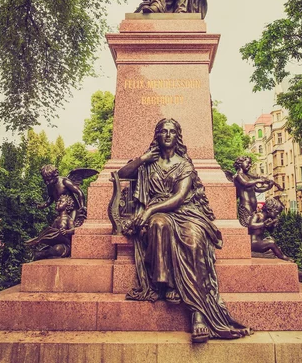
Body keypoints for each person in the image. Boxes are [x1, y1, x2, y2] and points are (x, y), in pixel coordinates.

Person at [118, 118, 251, 343]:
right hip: (160, 214)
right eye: (163, 132)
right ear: (157, 136)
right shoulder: (149, 163)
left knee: (193, 239)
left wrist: (149, 210)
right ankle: (168, 283)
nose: (168, 135)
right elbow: (122, 173)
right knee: (159, 224)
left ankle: (198, 313)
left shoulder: (184, 165)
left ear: (177, 136)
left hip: (185, 211)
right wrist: (142, 159)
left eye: (172, 132)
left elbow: (179, 197)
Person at [231, 156, 282, 226]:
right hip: (246, 206)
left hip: (253, 206)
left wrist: (268, 187)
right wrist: (258, 180)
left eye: (250, 164)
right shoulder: (238, 176)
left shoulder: (248, 177)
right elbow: (246, 183)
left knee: (254, 225)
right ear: (240, 163)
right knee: (249, 225)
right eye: (248, 163)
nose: (250, 165)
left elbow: (257, 189)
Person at [26, 194, 75, 259]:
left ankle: (43, 253)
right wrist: (38, 240)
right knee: (54, 248)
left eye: (61, 201)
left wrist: (66, 231)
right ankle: (42, 253)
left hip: (65, 245)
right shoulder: (56, 220)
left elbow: (74, 229)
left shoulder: (68, 219)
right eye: (58, 201)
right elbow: (51, 233)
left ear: (67, 206)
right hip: (54, 244)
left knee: (57, 249)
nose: (58, 203)